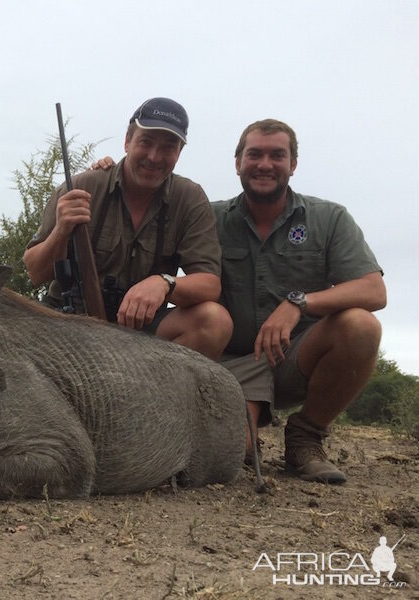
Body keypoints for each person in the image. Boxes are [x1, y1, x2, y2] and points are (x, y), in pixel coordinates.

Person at [213, 119, 386, 484]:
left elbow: (373, 291)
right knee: (233, 453)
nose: (264, 164)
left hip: (293, 360)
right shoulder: (208, 217)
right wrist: (106, 173)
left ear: (293, 164)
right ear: (237, 163)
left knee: (361, 324)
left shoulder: (330, 217)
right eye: (254, 154)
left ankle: (306, 438)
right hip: (230, 368)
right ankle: (247, 433)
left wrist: (298, 303)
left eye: (277, 155)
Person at [23, 98, 232, 360]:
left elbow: (210, 284)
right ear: (127, 141)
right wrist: (61, 231)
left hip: (141, 333)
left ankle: (151, 397)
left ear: (179, 153)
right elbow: (34, 272)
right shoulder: (79, 186)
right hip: (66, 325)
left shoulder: (190, 198)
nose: (154, 157)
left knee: (215, 322)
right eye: (146, 142)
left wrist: (164, 283)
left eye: (168, 148)